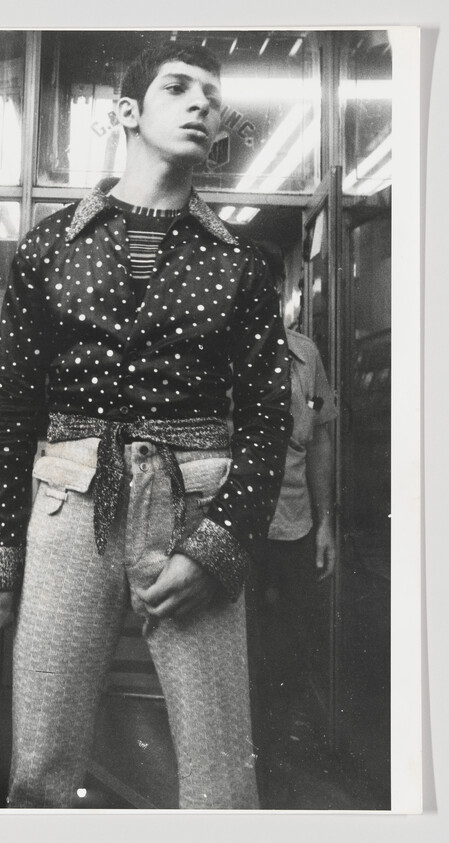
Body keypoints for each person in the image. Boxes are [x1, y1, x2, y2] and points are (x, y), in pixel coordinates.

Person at [0, 42, 292, 810]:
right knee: (41, 763)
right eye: (179, 87)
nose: (201, 103)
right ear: (128, 113)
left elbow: (269, 418)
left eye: (212, 93)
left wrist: (219, 548)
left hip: (195, 508)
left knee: (219, 779)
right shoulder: (49, 247)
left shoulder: (240, 264)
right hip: (69, 500)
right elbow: (13, 406)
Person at [245, 246, 338, 801]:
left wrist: (327, 522)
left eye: (272, 285)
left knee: (291, 642)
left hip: (297, 524)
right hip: (234, 529)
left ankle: (281, 755)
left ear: (285, 291)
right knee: (238, 646)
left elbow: (321, 440)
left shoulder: (307, 353)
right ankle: (247, 751)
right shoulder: (218, 352)